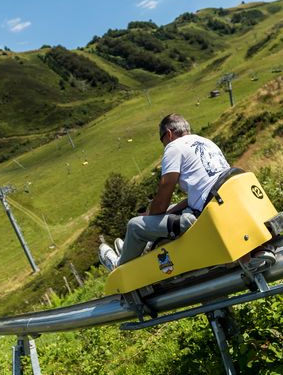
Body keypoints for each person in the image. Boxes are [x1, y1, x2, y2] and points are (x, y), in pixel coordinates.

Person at [98, 113, 230, 270]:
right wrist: (166, 212)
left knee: (134, 226)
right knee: (168, 210)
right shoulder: (207, 142)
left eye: (163, 141)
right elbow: (201, 192)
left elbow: (165, 191)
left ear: (168, 134)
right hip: (219, 203)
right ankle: (139, 246)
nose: (164, 146)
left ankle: (118, 266)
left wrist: (150, 216)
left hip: (201, 218)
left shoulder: (174, 147)